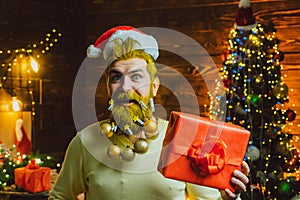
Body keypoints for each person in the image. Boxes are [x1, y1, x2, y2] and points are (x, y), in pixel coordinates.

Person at [49, 26, 249, 200]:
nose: (125, 87)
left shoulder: (183, 140)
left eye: (136, 76)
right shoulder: (85, 142)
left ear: (154, 87)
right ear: (107, 88)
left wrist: (230, 197)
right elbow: (60, 197)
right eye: (116, 77)